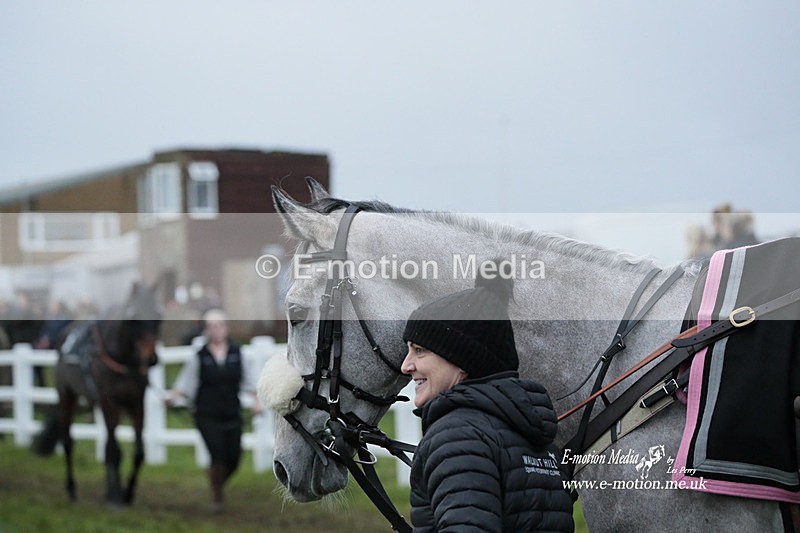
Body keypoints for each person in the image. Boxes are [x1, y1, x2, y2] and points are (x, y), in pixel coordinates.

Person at [401, 263, 574, 532]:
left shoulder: (456, 436)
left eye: (420, 350)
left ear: (462, 360)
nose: (406, 365)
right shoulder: (535, 437)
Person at [166, 309, 262, 513]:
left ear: (226, 328)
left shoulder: (238, 353)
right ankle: (217, 497)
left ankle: (216, 482)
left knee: (234, 458)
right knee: (217, 456)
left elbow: (250, 383)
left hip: (232, 413)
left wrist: (256, 403)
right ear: (206, 330)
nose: (215, 330)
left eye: (219, 325)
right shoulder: (199, 356)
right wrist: (173, 397)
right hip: (206, 414)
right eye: (210, 326)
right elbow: (186, 383)